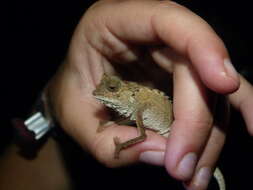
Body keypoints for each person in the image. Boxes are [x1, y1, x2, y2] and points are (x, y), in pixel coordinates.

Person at [2, 1, 253, 190]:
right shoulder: (133, 102)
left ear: (126, 93)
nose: (102, 93)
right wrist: (55, 106)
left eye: (112, 89)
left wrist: (122, 144)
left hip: (170, 135)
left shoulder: (140, 104)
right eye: (108, 87)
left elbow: (142, 134)